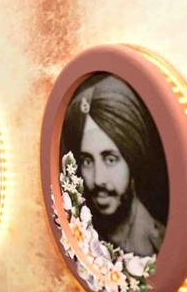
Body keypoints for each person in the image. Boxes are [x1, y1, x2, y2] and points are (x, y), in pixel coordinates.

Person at [63, 74, 167, 256]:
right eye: (87, 161)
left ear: (132, 159)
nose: (98, 179)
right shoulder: (83, 235)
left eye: (110, 159)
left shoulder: (158, 244)